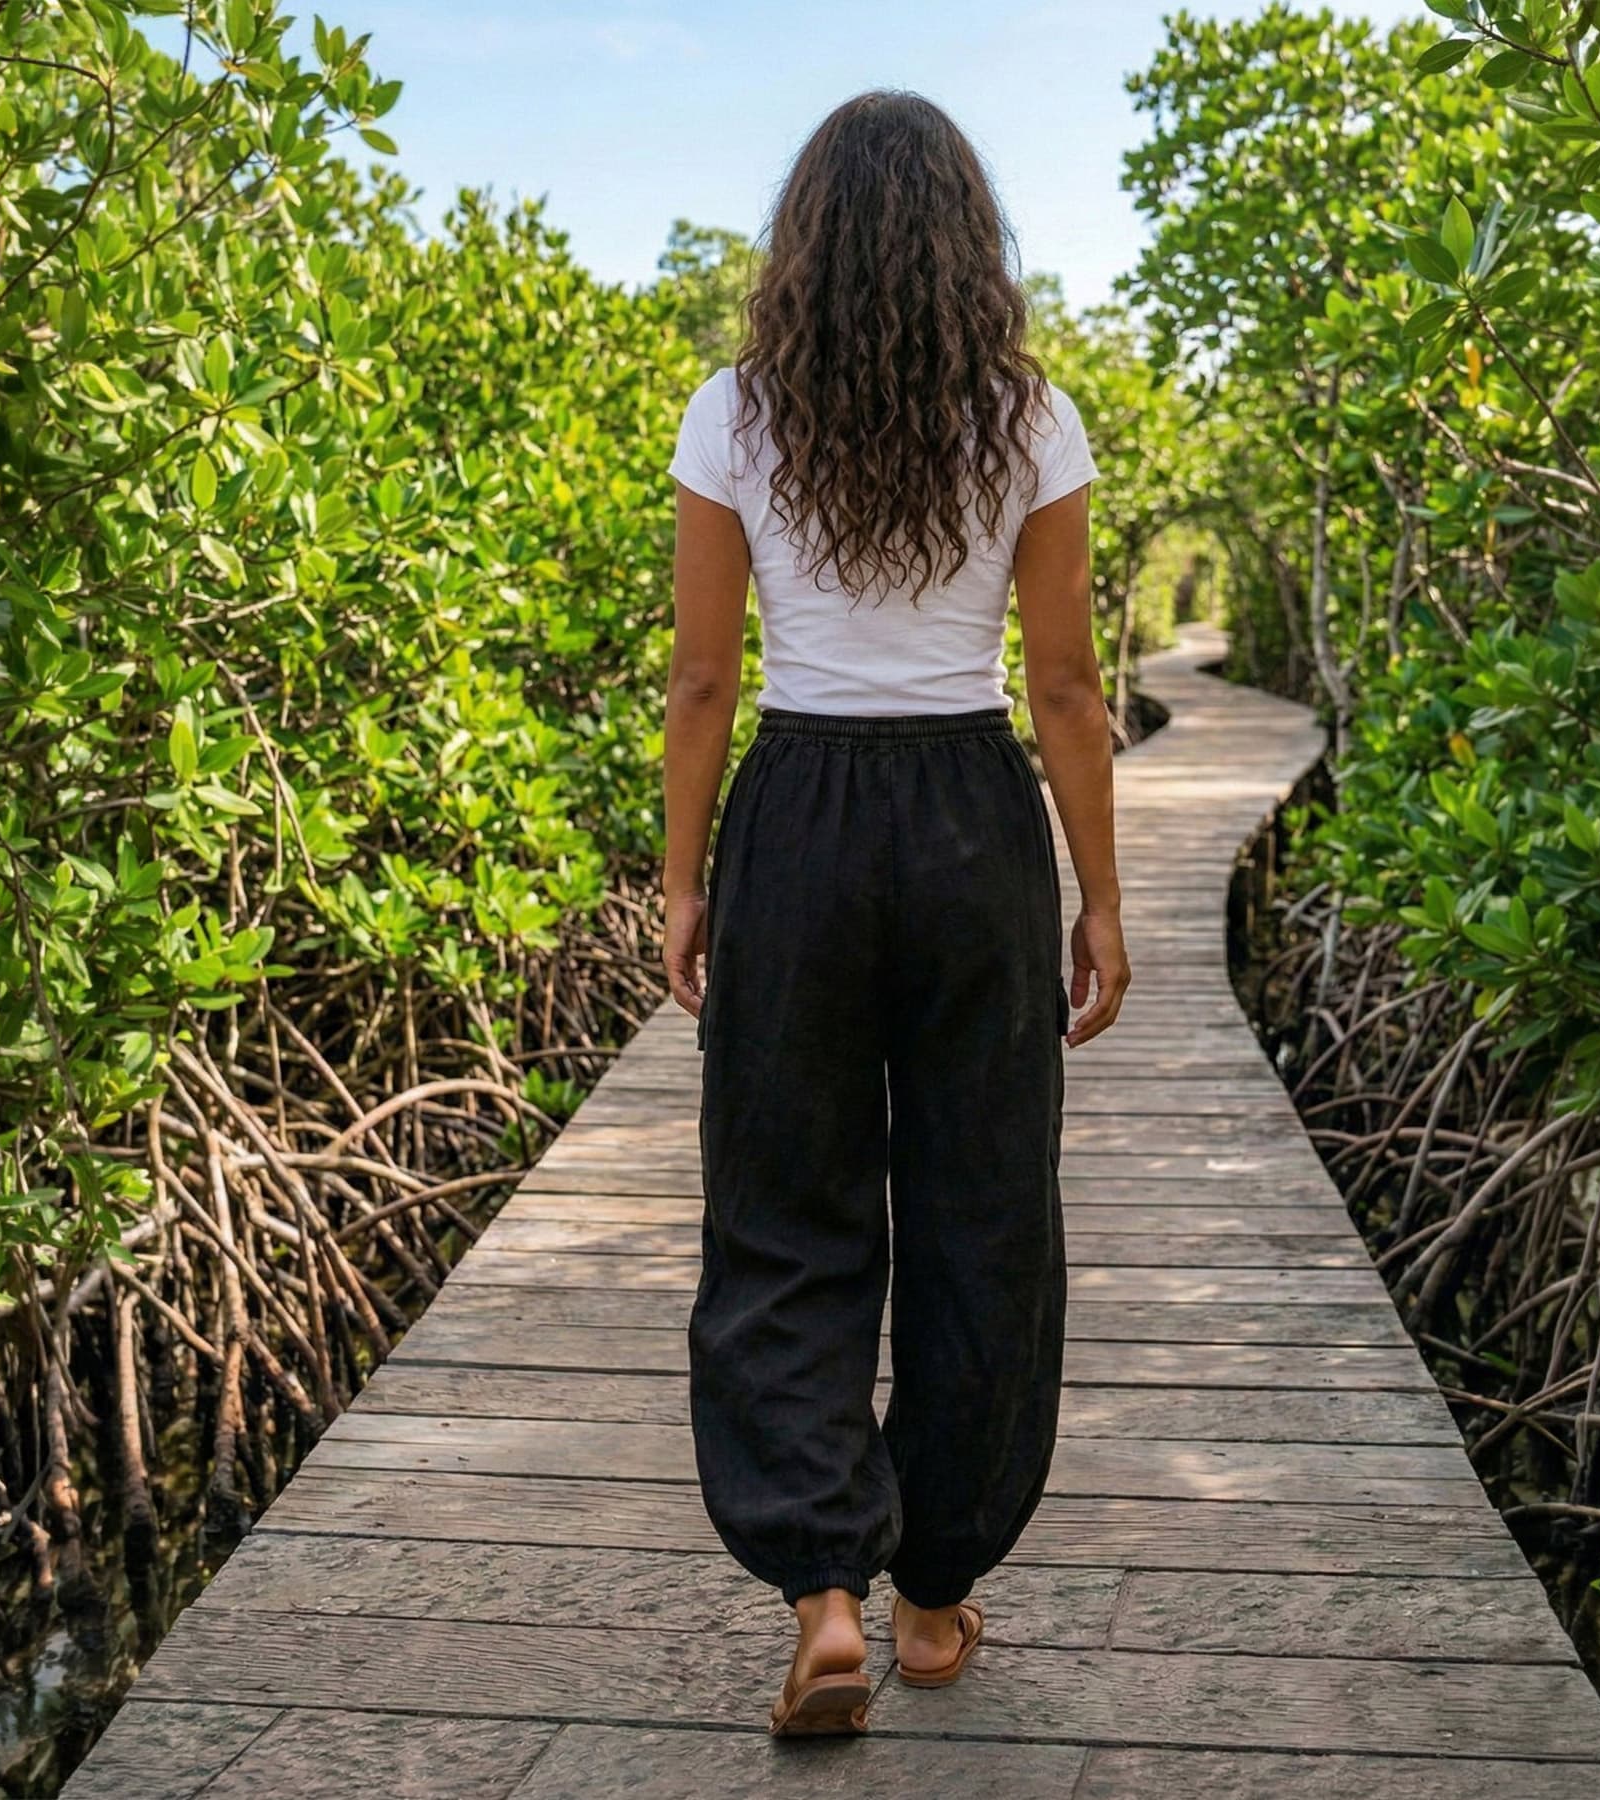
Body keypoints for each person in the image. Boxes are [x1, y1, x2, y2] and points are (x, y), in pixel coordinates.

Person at [659, 87, 1129, 1739]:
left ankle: (827, 1596)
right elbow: (1065, 690)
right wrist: (1102, 902)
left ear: (805, 241)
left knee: (785, 1206)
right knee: (981, 1205)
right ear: (963, 244)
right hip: (969, 820)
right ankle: (935, 1592)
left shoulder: (734, 410)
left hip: (796, 815)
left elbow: (706, 676)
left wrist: (684, 876)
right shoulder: (1029, 417)